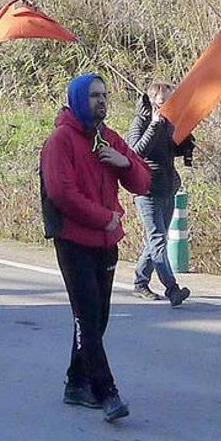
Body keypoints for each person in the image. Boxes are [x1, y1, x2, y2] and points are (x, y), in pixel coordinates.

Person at [40, 72, 152, 423]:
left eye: (103, 95)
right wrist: (103, 218)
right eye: (93, 95)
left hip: (106, 242)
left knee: (98, 317)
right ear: (77, 99)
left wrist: (125, 162)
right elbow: (62, 194)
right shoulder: (60, 141)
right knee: (87, 317)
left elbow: (143, 182)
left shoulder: (108, 138)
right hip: (74, 242)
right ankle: (107, 392)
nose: (101, 100)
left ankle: (76, 382)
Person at [126, 81, 195, 307]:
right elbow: (135, 152)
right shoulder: (140, 122)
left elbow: (167, 152)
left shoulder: (169, 122)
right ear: (153, 101)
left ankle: (140, 282)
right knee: (157, 239)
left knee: (157, 239)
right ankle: (172, 288)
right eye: (164, 102)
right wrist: (154, 126)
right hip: (147, 191)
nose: (169, 106)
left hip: (167, 188)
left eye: (171, 102)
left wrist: (185, 146)